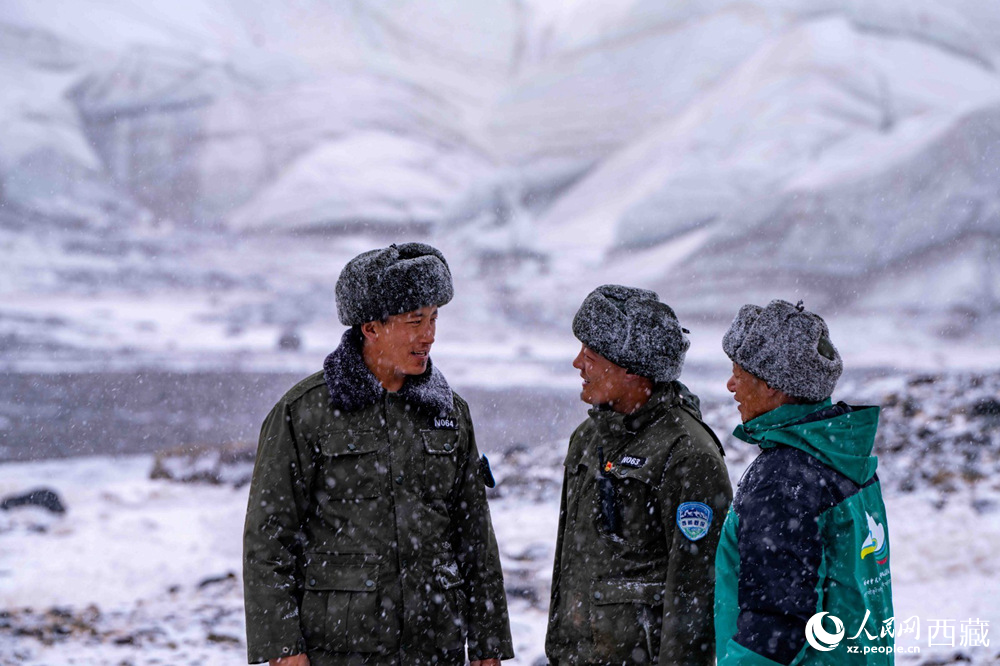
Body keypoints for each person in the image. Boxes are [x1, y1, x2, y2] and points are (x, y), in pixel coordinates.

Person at [243, 243, 513, 666]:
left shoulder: (449, 413)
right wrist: (283, 647)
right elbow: (269, 537)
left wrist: (488, 644)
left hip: (435, 647)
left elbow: (475, 536)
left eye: (434, 318)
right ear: (371, 328)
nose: (429, 335)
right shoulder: (305, 412)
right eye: (415, 321)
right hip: (340, 649)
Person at [545, 284, 733, 665]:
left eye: (591, 355)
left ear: (633, 370)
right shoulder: (586, 440)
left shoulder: (688, 456)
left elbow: (695, 599)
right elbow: (568, 570)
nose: (578, 363)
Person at [714, 299, 894, 665]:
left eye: (738, 373)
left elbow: (775, 626)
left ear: (772, 385)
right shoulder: (844, 455)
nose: (730, 385)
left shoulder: (783, 478)